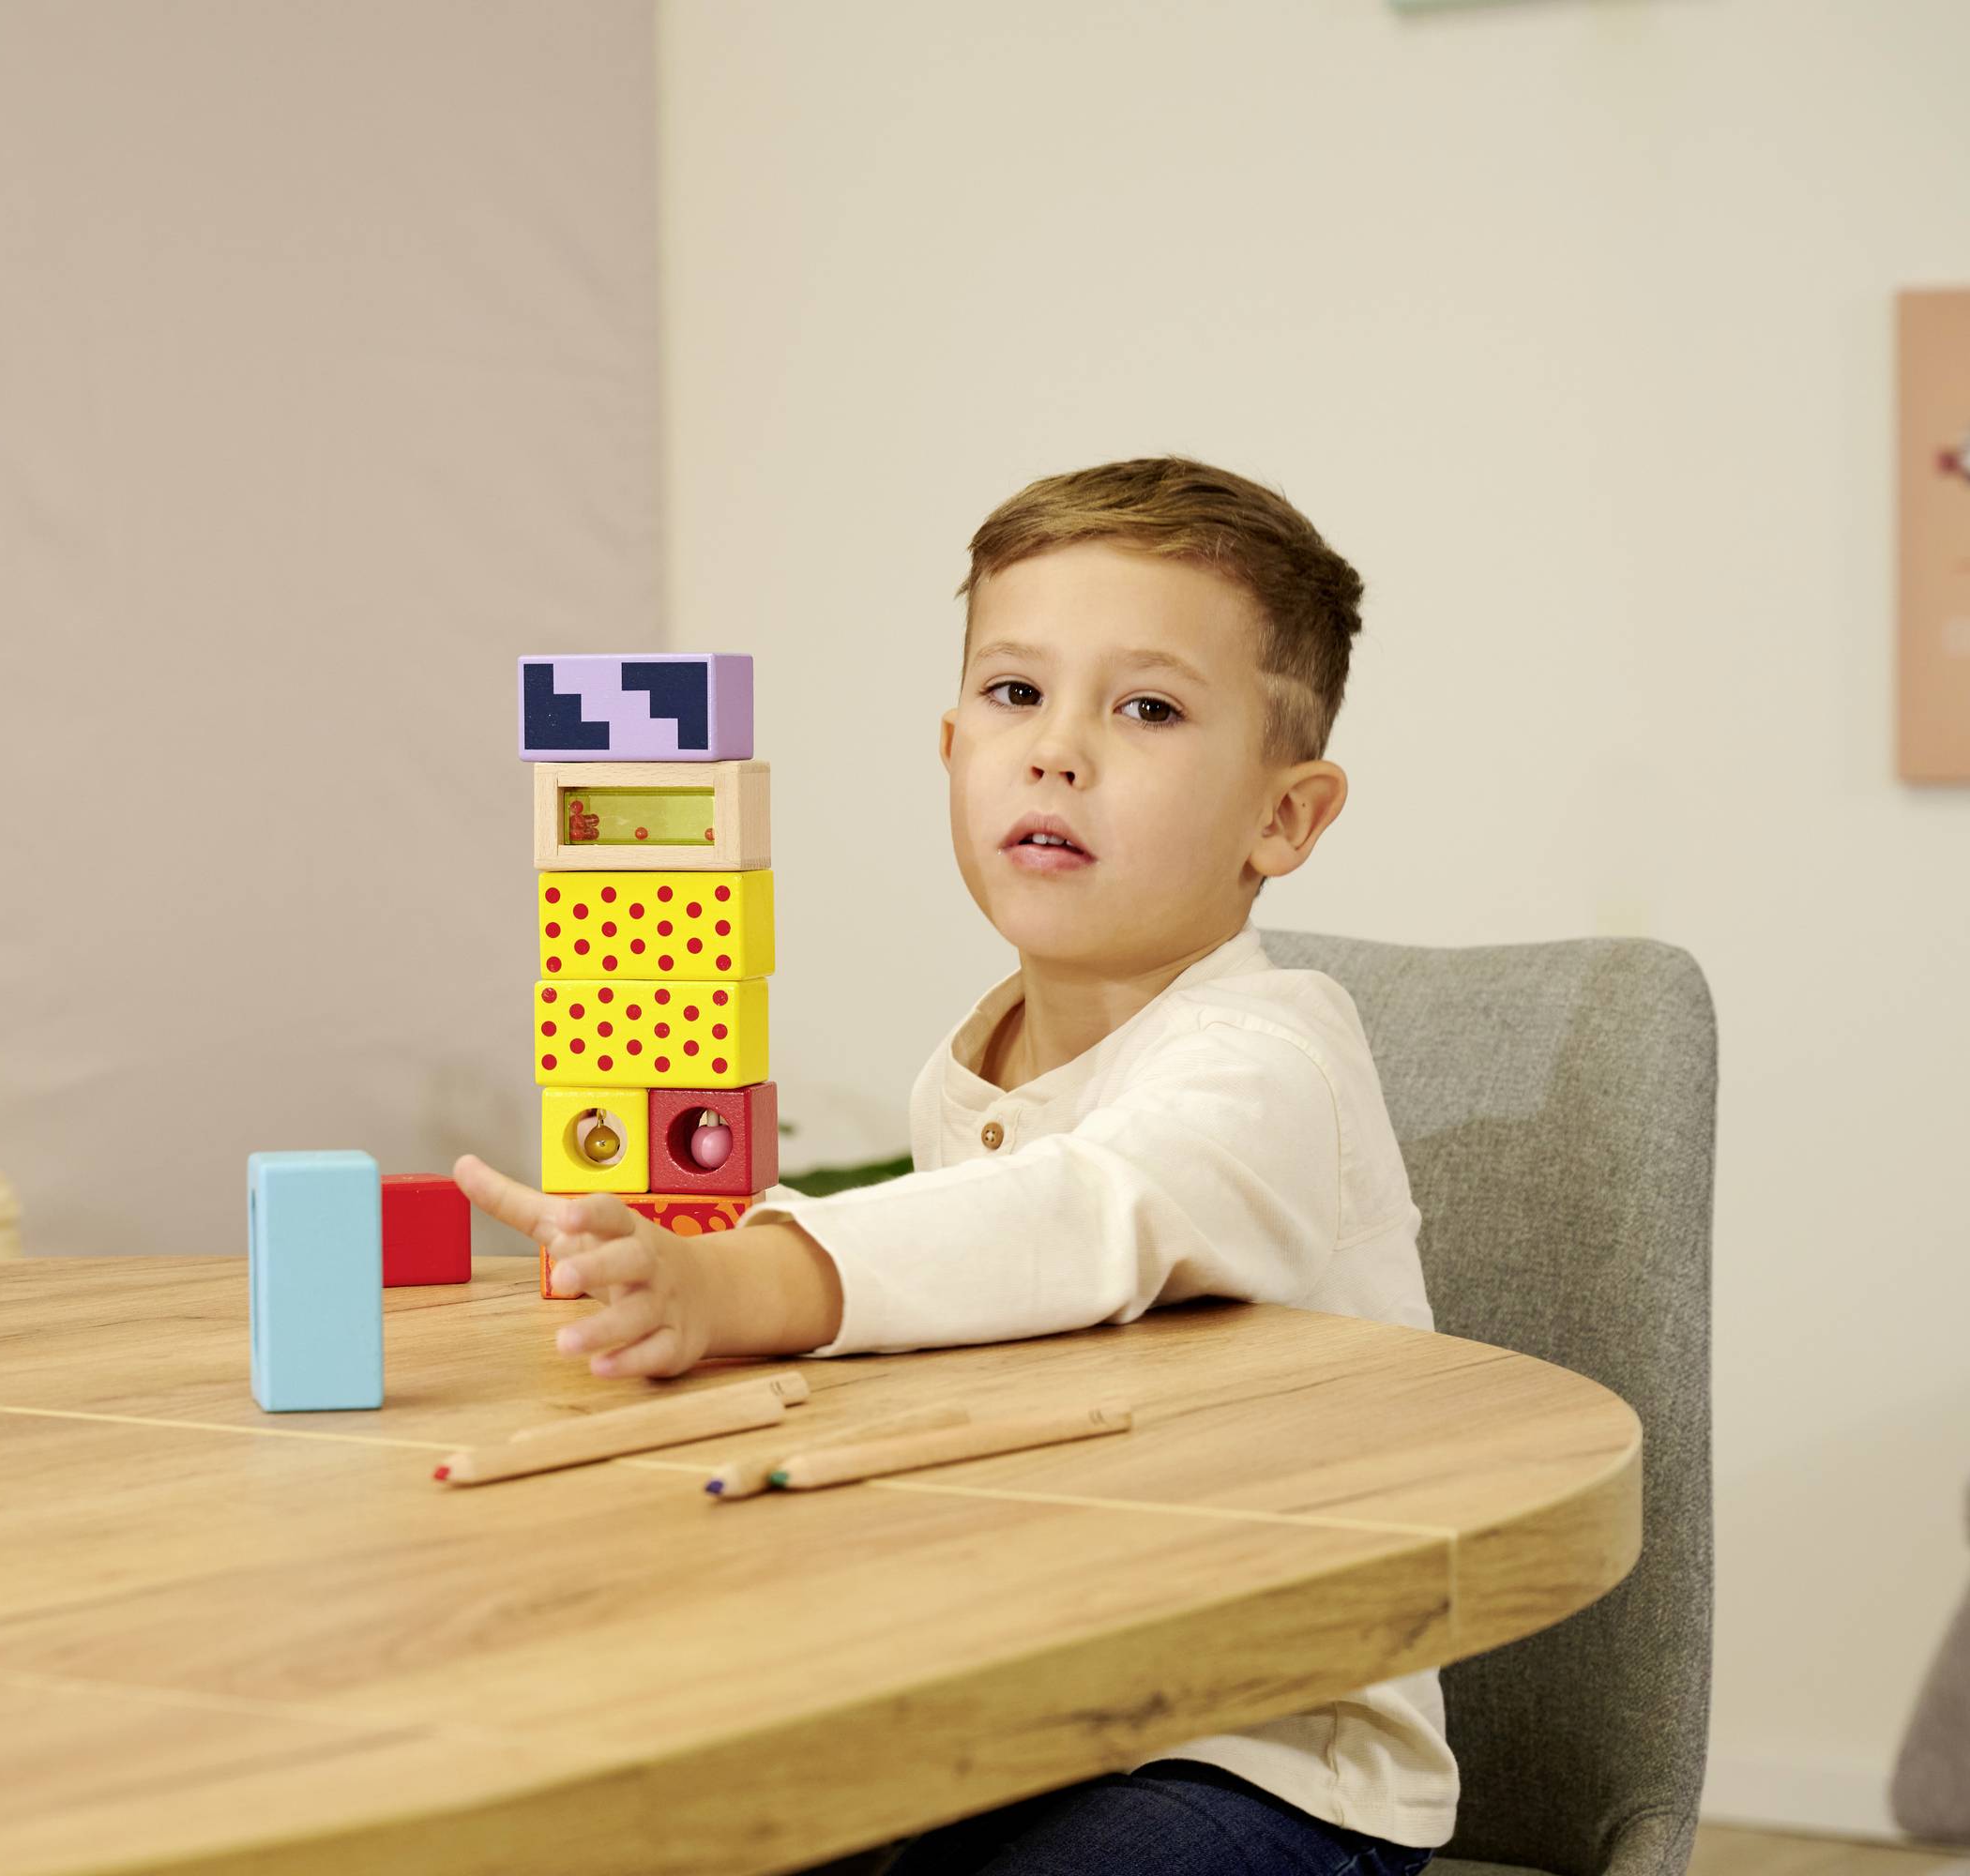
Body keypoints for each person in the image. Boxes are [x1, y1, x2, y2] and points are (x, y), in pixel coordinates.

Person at [456, 456, 1446, 1874]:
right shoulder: (971, 1070)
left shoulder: (1271, 1065)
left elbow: (1067, 1221)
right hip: (1024, 1719)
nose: (1056, 751)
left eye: (1148, 708)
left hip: (1255, 1762)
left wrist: (743, 1276)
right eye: (1014, 693)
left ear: (1283, 819)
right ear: (949, 750)